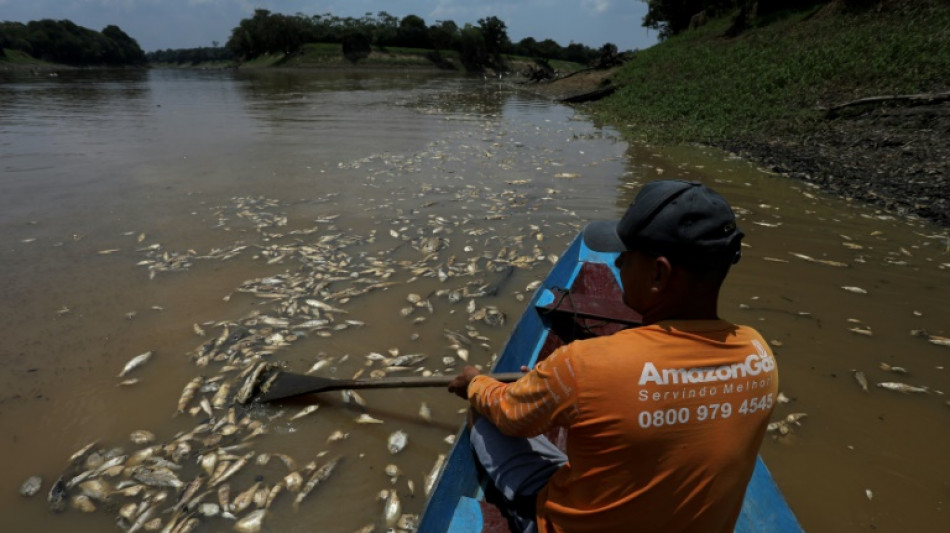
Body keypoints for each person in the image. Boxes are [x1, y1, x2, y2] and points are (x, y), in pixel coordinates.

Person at [448, 179, 779, 533]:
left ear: (658, 273)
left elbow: (510, 415)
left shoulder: (584, 364)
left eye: (626, 256)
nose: (617, 263)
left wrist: (475, 383)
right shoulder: (759, 353)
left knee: (483, 417)